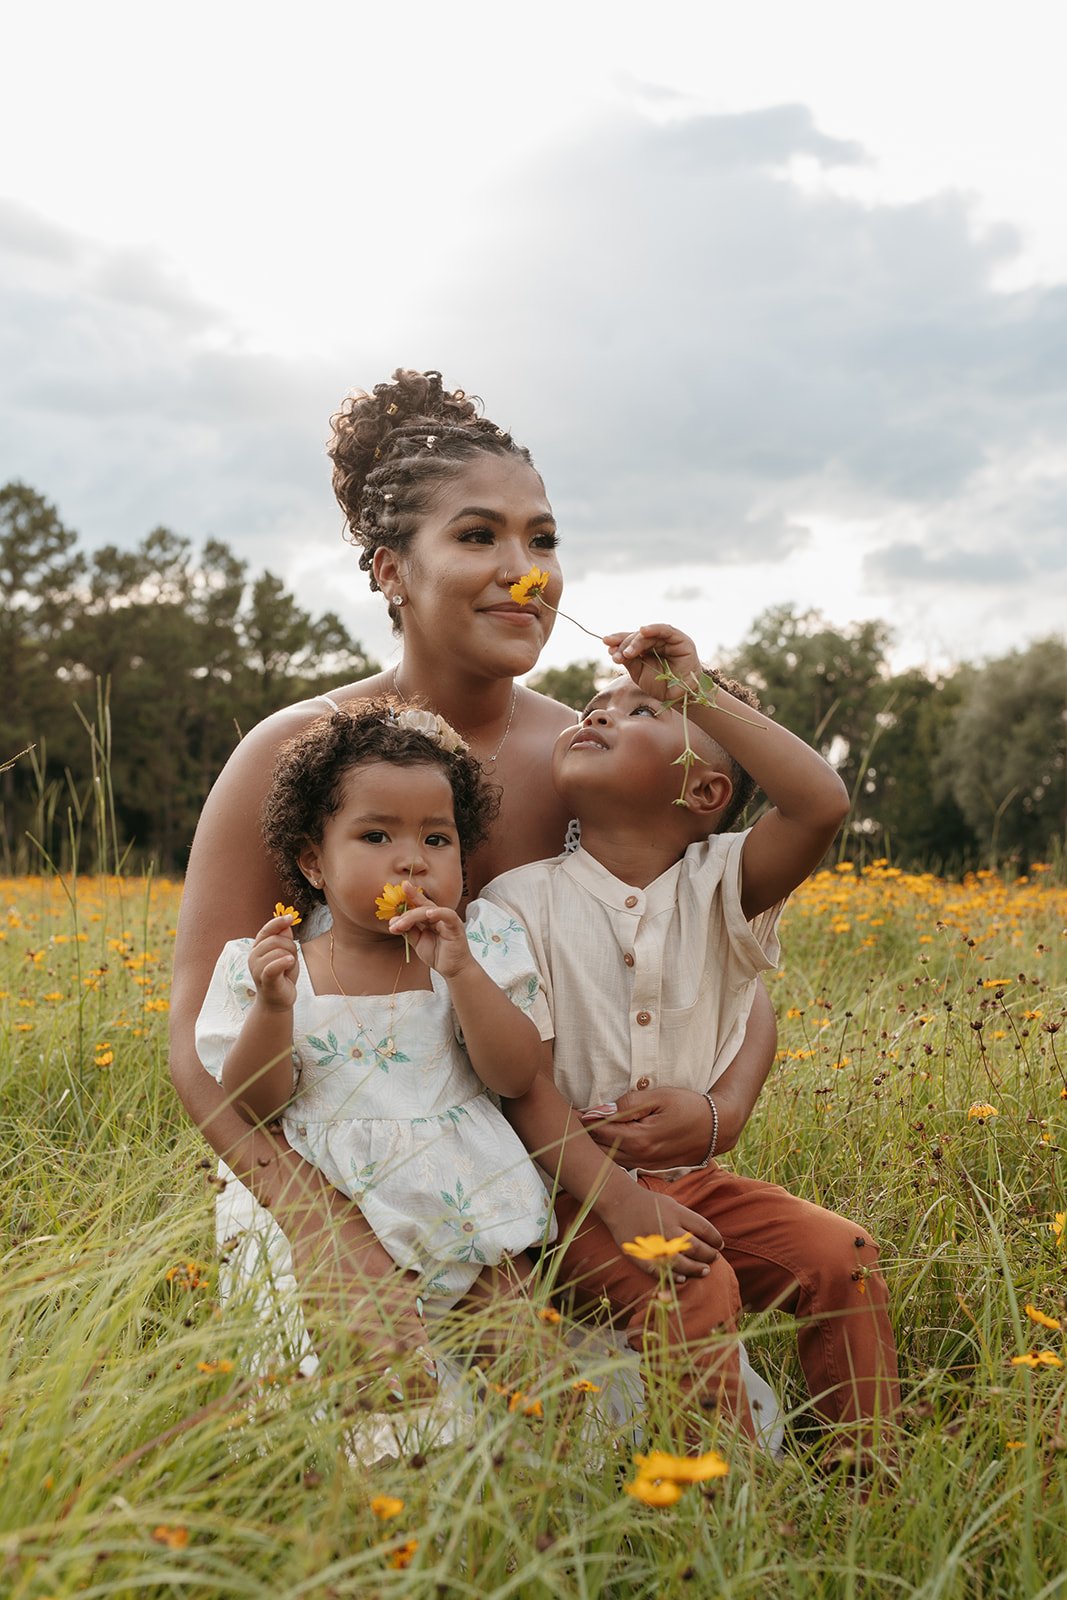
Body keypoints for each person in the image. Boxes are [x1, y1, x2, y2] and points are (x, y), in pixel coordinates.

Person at [168, 368, 776, 1367]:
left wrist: (722, 1109)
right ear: (387, 570)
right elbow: (199, 1043)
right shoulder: (297, 754)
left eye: (542, 540)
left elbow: (709, 937)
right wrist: (320, 1229)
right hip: (331, 1188)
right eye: (477, 535)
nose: (524, 570)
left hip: (550, 1190)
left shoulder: (589, 763)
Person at [472, 621, 900, 1450]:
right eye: (595, 705)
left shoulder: (725, 885)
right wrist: (624, 1201)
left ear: (704, 795)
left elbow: (821, 803)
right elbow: (521, 1085)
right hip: (562, 1194)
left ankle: (867, 1481)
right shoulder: (516, 901)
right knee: (686, 1284)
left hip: (695, 1183)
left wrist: (691, 689)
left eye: (639, 714)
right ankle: (715, 1515)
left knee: (840, 1253)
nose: (596, 712)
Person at [194, 702, 556, 1357]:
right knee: (372, 1372)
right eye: (376, 837)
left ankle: (523, 1451)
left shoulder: (478, 947)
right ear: (313, 864)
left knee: (518, 1348)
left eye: (435, 840)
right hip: (336, 1203)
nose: (411, 863)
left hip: (465, 1198)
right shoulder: (279, 967)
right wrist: (273, 1012)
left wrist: (464, 974)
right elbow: (252, 1103)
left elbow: (514, 1073)